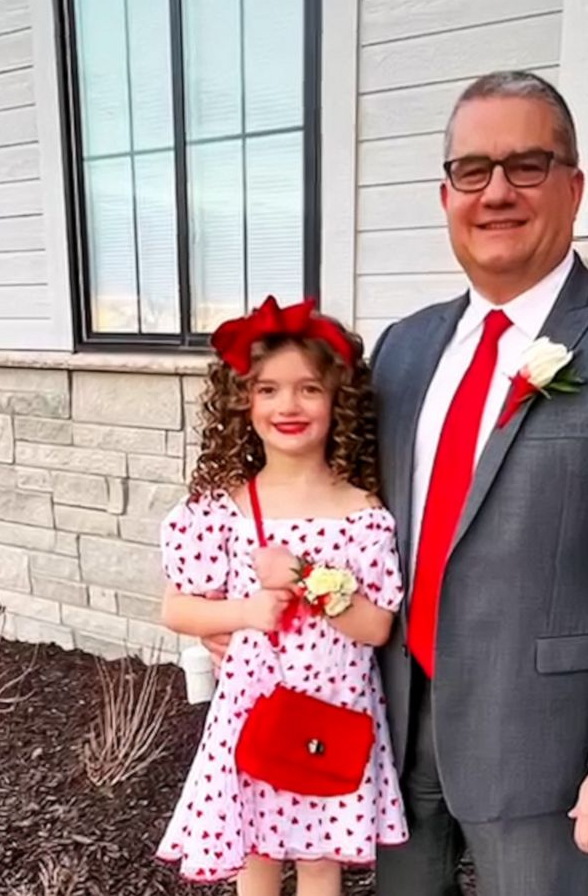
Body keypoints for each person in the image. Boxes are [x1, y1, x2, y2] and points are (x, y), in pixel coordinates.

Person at [365, 71, 588, 896]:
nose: (495, 192)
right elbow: (350, 516)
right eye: (472, 171)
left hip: (543, 752)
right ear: (445, 193)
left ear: (574, 187)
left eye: (526, 166)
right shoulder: (402, 349)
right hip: (395, 723)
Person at [155, 297, 409, 895]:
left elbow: (376, 629)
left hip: (334, 711)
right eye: (267, 390)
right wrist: (244, 611)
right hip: (252, 713)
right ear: (243, 402)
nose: (287, 406)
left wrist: (310, 580)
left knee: (321, 861)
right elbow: (177, 607)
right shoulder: (224, 509)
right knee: (257, 854)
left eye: (308, 390)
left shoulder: (361, 513)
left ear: (337, 401)